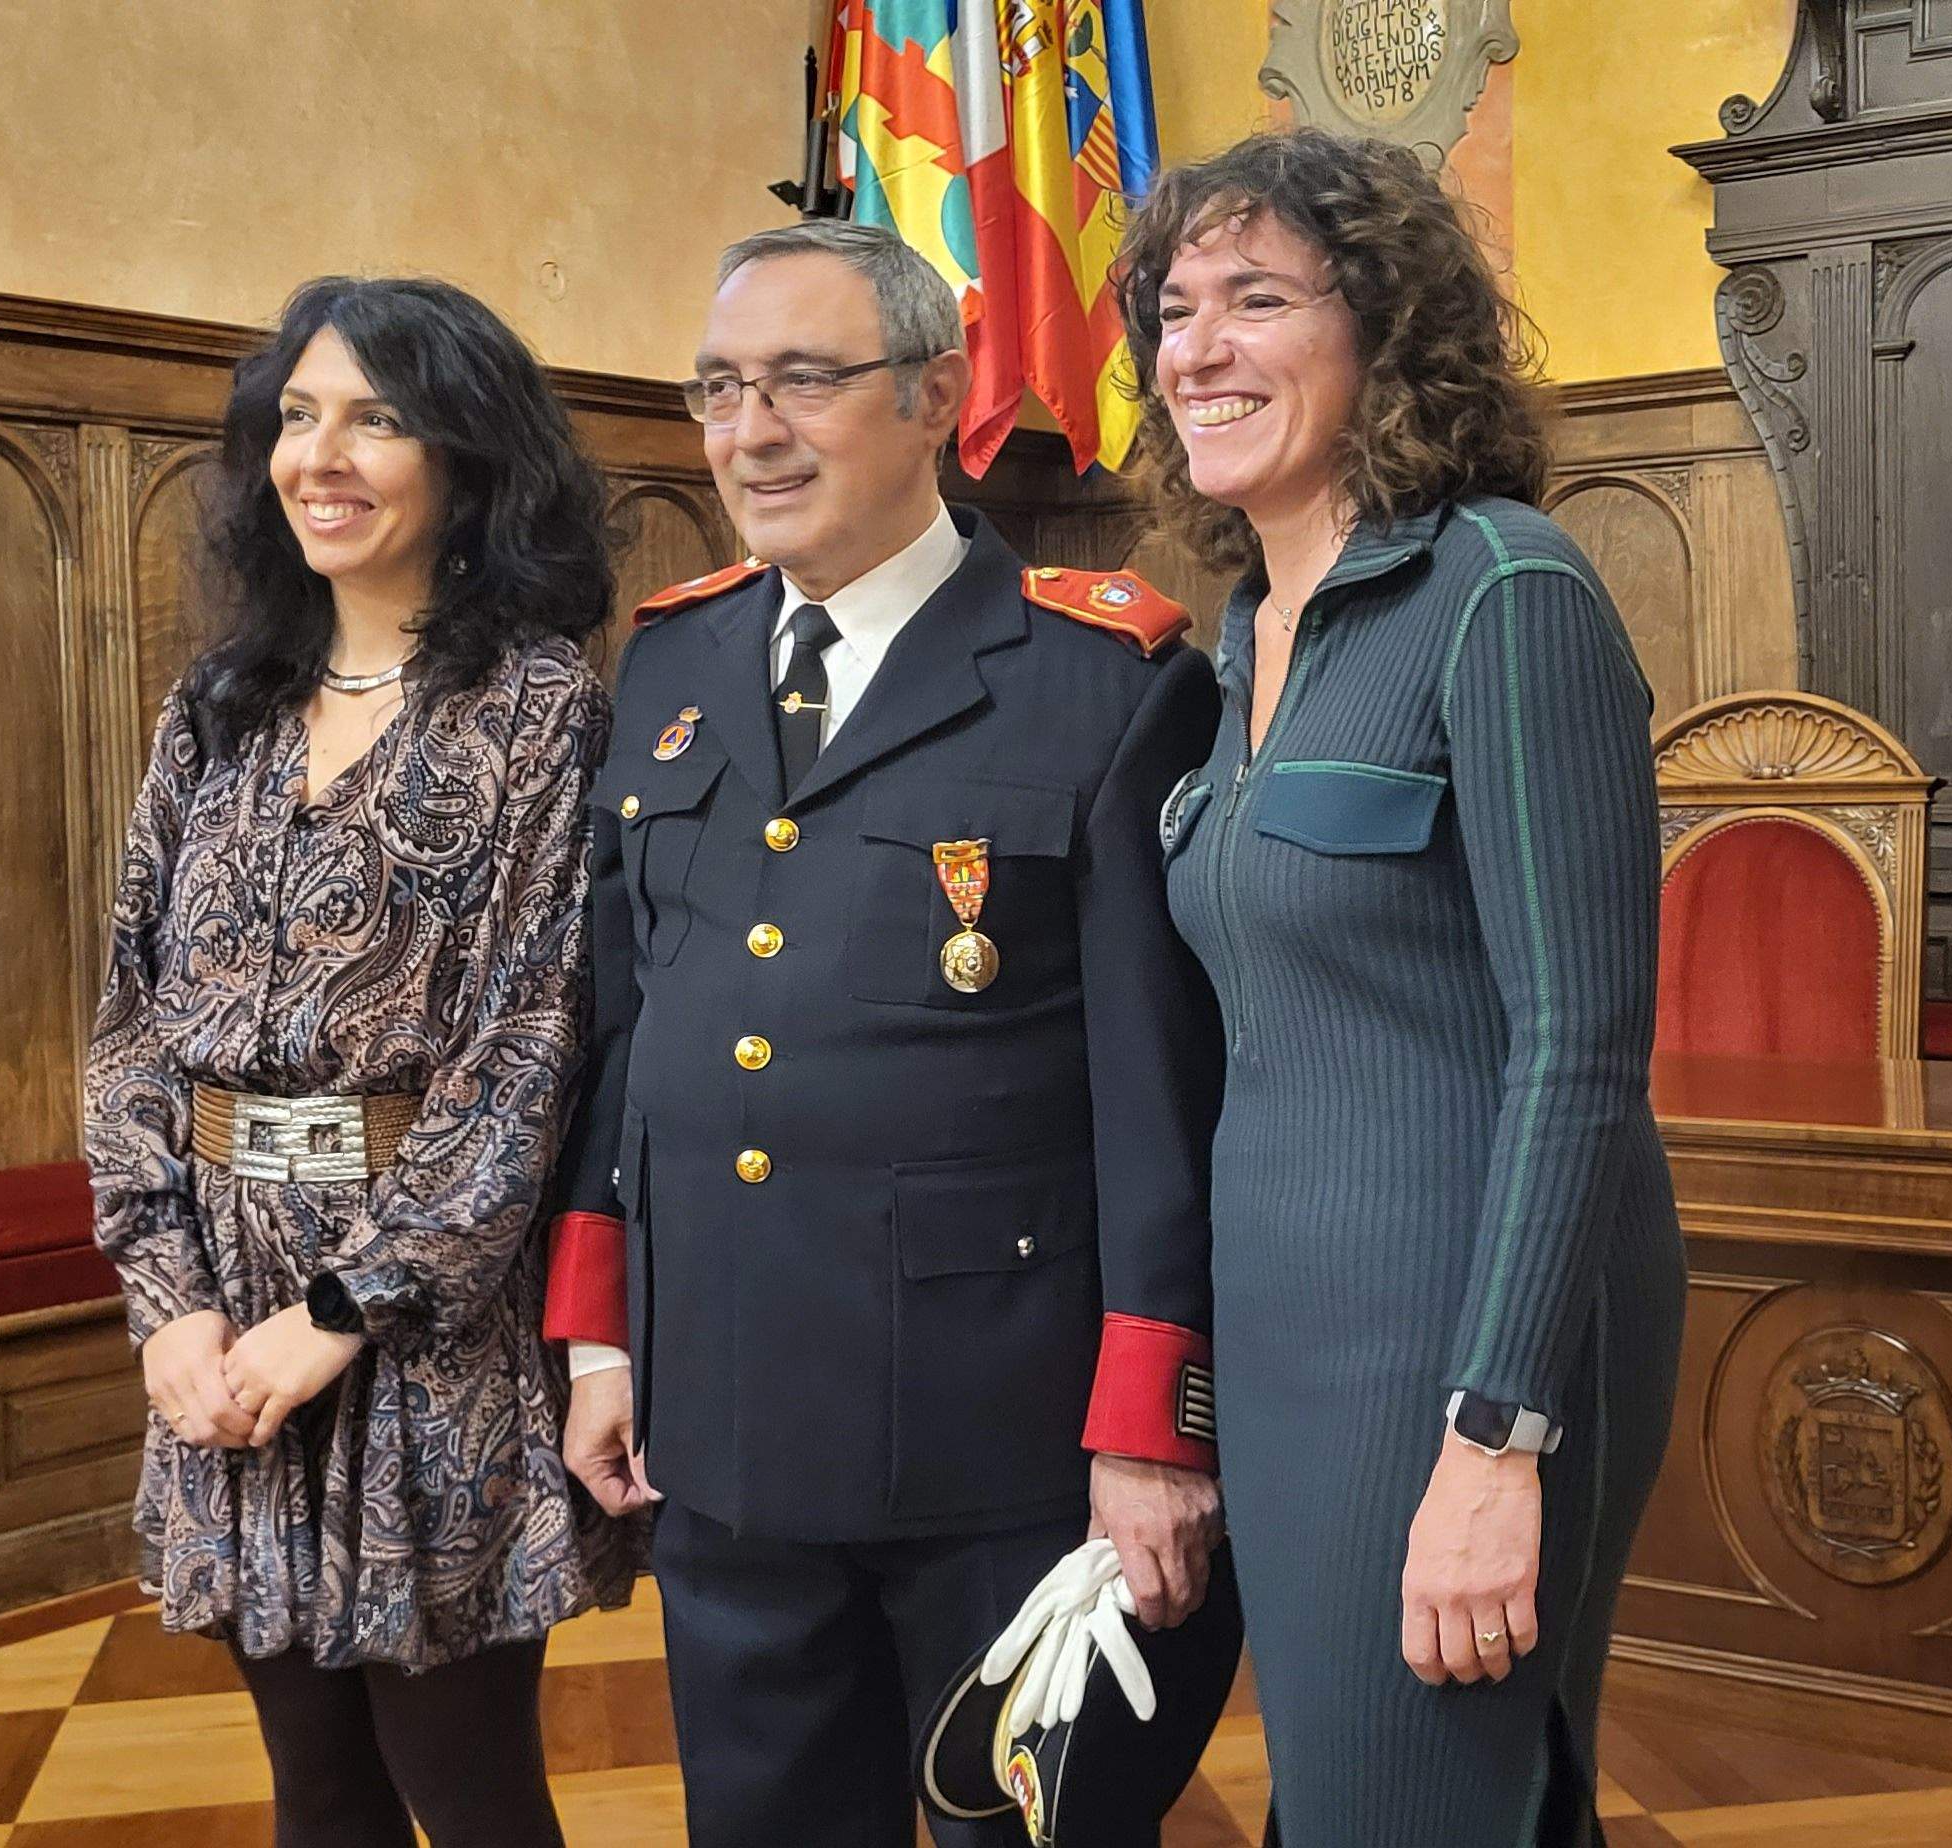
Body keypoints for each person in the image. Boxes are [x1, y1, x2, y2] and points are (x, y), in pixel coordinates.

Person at [545, 218, 1237, 1848]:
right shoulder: (675, 662)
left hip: (997, 1441)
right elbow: (628, 1025)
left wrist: (1151, 1429)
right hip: (721, 1412)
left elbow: (1161, 1095)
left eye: (802, 379)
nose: (750, 431)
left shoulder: (1107, 676)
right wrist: (599, 1334)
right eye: (720, 388)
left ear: (938, 396)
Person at [1116, 129, 1683, 1844]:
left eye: (1258, 300)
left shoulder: (1500, 586)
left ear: (1389, 333)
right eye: (1174, 307)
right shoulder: (1234, 635)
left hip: (1458, 1341)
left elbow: (1580, 1052)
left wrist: (1497, 1439)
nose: (1196, 349)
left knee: (1414, 1805)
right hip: (1289, 1341)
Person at [84, 274, 630, 1848]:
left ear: (468, 460)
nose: (322, 456)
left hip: (423, 1340)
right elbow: (129, 1020)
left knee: (465, 1795)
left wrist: (341, 1315)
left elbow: (536, 1049)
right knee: (315, 1792)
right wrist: (167, 1303)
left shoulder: (537, 711)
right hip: (222, 1324)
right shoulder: (219, 706)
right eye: (299, 416)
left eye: (377, 419)